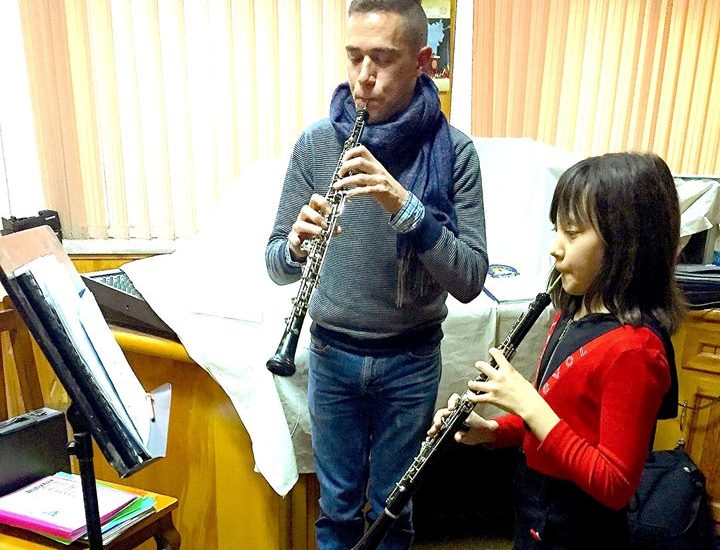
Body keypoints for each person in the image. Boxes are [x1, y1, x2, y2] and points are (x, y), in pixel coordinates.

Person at [265, 0, 488, 548]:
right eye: (354, 57)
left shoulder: (455, 153)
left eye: (383, 59)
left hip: (411, 360)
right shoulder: (317, 144)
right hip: (330, 354)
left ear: (423, 61)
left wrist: (405, 207)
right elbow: (274, 264)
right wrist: (294, 246)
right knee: (336, 511)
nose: (364, 76)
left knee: (394, 511)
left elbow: (470, 278)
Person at [430, 152, 683, 549]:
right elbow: (560, 418)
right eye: (556, 229)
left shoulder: (635, 350)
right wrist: (492, 431)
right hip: (535, 513)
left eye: (573, 232)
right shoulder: (570, 312)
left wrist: (528, 404)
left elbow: (615, 483)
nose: (555, 248)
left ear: (627, 243)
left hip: (582, 530)